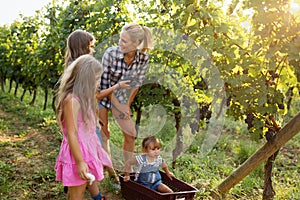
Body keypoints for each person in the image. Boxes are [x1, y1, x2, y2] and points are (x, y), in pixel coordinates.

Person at [64, 29, 130, 190]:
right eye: (91, 46)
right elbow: (94, 96)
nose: (93, 50)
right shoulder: (83, 71)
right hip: (82, 126)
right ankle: (105, 182)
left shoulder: (73, 68)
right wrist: (117, 87)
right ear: (83, 47)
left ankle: (89, 188)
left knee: (86, 155)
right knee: (89, 155)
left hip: (81, 122)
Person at [97, 23, 153, 183]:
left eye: (124, 41)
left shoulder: (143, 59)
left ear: (136, 44)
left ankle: (127, 173)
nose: (120, 44)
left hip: (121, 97)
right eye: (120, 40)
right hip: (102, 94)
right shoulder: (111, 54)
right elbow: (104, 85)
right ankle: (107, 173)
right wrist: (119, 105)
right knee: (104, 133)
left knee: (130, 135)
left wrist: (126, 104)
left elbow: (136, 84)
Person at [54, 54, 111, 200]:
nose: (98, 82)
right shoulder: (72, 100)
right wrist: (80, 161)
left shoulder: (86, 97)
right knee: (77, 193)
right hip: (77, 152)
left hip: (87, 148)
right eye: (96, 79)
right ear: (86, 78)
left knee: (80, 187)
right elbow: (72, 133)